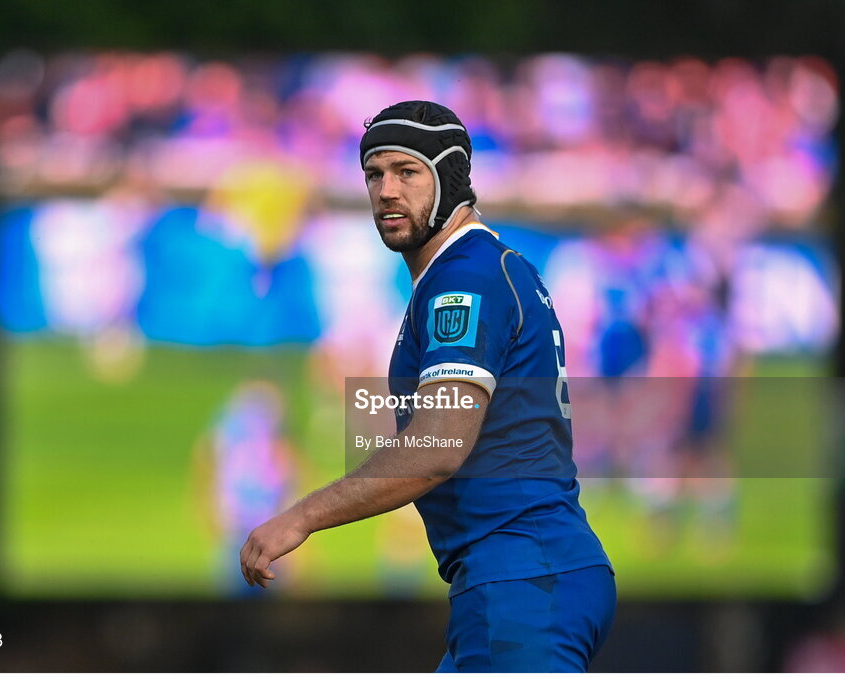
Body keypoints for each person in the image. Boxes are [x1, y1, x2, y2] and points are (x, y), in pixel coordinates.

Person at [240, 100, 615, 672]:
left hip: (522, 579)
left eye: (407, 171)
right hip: (523, 577)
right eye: (374, 174)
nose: (386, 190)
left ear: (451, 177)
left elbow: (438, 446)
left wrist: (299, 516)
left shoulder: (464, 279)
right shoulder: (486, 266)